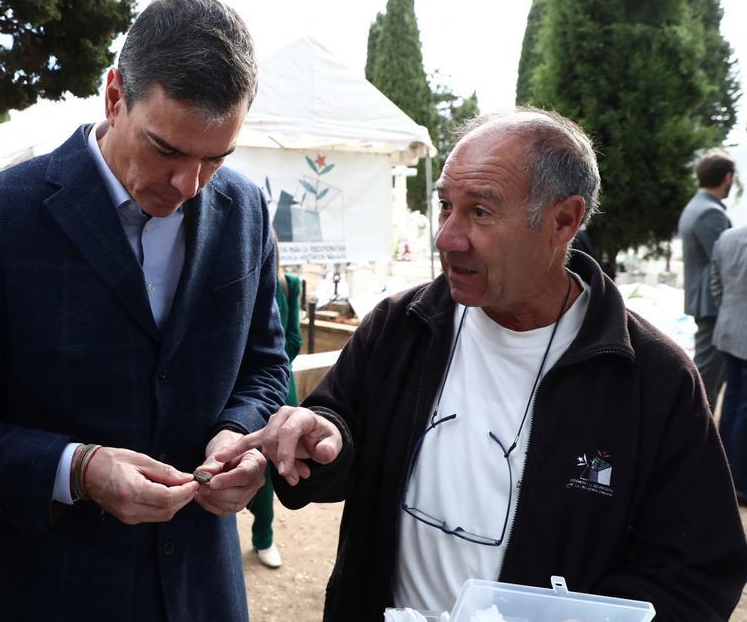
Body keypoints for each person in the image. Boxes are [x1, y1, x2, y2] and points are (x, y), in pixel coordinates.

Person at [217, 108, 747, 620]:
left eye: (480, 211)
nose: (447, 236)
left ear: (564, 220)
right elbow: (339, 431)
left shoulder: (652, 379)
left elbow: (696, 570)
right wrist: (322, 435)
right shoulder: (402, 326)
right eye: (446, 206)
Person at [0, 0, 289, 621]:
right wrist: (76, 470)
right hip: (54, 592)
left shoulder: (245, 210)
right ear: (114, 95)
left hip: (202, 591)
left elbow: (267, 365)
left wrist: (241, 435)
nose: (190, 186)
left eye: (216, 158)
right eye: (167, 149)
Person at [246, 248, 303, 569]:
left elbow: (293, 339)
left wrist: (267, 367)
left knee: (268, 467)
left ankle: (263, 536)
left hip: (279, 387)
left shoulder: (289, 284)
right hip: (237, 387)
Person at [679, 150, 735, 405]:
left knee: (710, 378)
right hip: (714, 304)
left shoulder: (697, 206)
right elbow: (726, 262)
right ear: (727, 178)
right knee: (705, 380)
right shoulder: (710, 212)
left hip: (707, 301)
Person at [712, 224, 747, 504]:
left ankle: (721, 471)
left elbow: (716, 283)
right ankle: (740, 482)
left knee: (733, 400)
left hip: (728, 329)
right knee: (743, 407)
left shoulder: (727, 236)